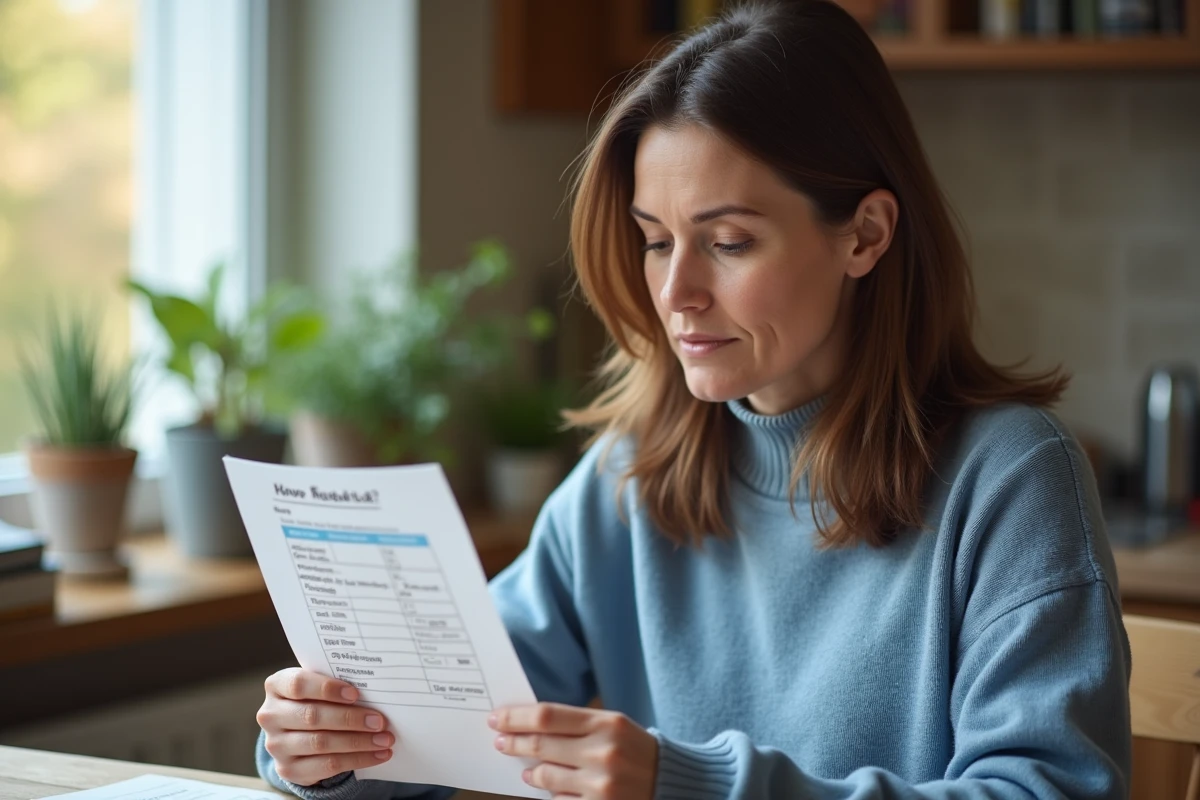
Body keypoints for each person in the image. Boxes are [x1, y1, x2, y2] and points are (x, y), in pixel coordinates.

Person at [253, 1, 1132, 798]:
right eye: (655, 240)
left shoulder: (1012, 478)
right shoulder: (629, 477)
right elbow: (448, 731)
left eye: (729, 242)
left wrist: (693, 786)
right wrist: (327, 747)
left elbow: (1048, 792)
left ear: (865, 236)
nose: (675, 292)